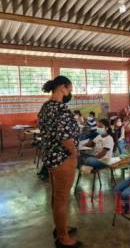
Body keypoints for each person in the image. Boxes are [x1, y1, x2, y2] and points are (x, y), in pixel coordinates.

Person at [38, 75, 82, 248]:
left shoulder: (46, 106)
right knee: (62, 199)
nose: (70, 93)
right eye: (70, 89)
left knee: (57, 196)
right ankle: (63, 238)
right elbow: (65, 137)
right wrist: (74, 152)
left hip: (50, 158)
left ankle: (60, 227)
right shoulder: (60, 109)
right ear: (62, 87)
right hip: (63, 159)